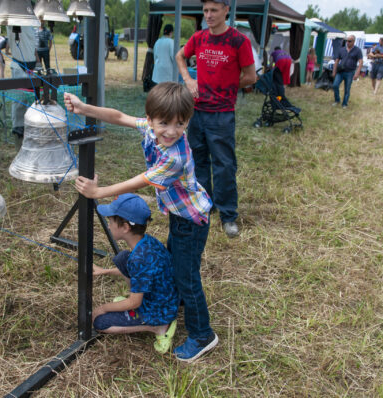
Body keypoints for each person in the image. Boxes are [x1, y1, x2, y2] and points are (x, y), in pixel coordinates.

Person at [64, 82, 218, 362]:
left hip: (191, 220)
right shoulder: (151, 127)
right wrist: (84, 108)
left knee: (187, 275)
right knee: (176, 263)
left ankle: (202, 334)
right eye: (164, 123)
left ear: (188, 121)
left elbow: (143, 180)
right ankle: (177, 301)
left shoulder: (176, 157)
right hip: (179, 215)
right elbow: (119, 117)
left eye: (180, 124)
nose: (171, 131)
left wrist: (99, 192)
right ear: (150, 119)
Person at [175, 0, 256, 238]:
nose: (208, 15)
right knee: (198, 160)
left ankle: (228, 214)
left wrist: (227, 88)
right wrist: (189, 81)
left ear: (226, 10)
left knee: (224, 165)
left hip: (222, 114)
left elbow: (251, 76)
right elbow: (180, 56)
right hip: (197, 112)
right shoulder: (199, 38)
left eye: (214, 10)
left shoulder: (239, 41)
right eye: (205, 11)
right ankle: (204, 206)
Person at [92, 194, 179, 354]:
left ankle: (156, 327)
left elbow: (134, 303)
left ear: (125, 227)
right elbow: (142, 273)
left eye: (110, 221)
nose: (108, 225)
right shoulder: (147, 242)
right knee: (122, 258)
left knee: (100, 323)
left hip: (158, 311)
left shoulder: (140, 258)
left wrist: (103, 308)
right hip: (165, 298)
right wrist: (104, 271)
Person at [6, 26, 36, 143]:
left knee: (31, 98)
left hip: (32, 65)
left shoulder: (31, 27)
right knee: (19, 98)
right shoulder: (14, 23)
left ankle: (30, 124)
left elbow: (32, 45)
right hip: (19, 65)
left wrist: (37, 59)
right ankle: (18, 126)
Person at [332, 35, 362, 109]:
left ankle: (345, 103)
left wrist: (357, 73)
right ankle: (337, 100)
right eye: (346, 41)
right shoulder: (342, 49)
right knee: (335, 85)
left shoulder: (357, 50)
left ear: (354, 41)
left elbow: (360, 62)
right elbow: (337, 61)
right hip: (340, 71)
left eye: (349, 41)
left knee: (347, 88)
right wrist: (334, 71)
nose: (347, 43)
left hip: (350, 72)